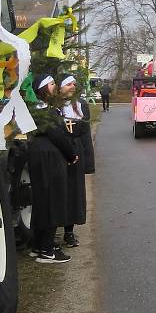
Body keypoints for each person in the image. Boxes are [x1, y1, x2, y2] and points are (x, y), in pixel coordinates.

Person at [27, 74, 78, 263]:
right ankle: (47, 250)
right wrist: (71, 154)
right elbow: (57, 135)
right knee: (52, 200)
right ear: (43, 89)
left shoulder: (39, 109)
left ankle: (40, 244)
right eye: (52, 84)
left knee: (42, 200)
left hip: (40, 155)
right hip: (48, 156)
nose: (55, 86)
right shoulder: (45, 111)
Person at [59, 76, 94, 248]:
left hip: (77, 151)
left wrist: (88, 161)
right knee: (59, 191)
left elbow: (86, 133)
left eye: (73, 84)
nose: (73, 86)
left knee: (74, 191)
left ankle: (69, 231)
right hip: (58, 152)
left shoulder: (81, 104)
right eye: (68, 84)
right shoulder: (52, 106)